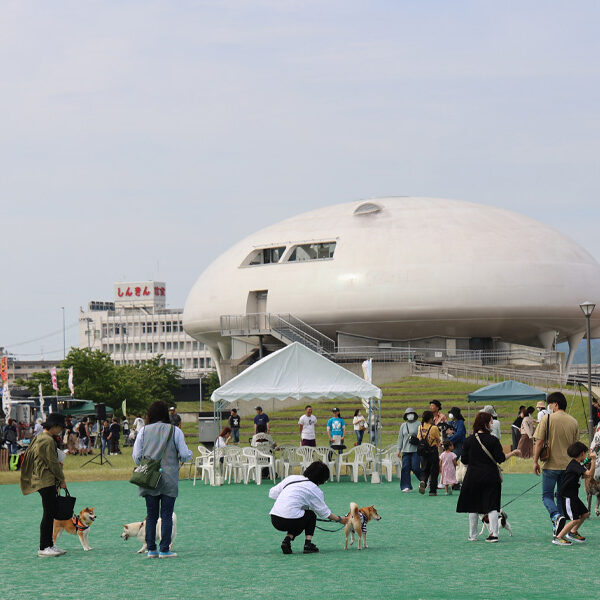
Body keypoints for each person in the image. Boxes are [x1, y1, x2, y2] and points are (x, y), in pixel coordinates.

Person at [133, 401, 193, 558]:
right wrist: (188, 454)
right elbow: (185, 454)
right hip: (169, 478)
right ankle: (165, 549)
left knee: (151, 515)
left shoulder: (143, 431)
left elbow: (136, 456)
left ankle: (151, 549)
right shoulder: (175, 431)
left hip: (149, 478)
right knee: (166, 514)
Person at [456, 412, 521, 542]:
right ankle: (494, 534)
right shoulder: (493, 440)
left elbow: (464, 460)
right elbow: (500, 459)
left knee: (472, 507)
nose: (492, 424)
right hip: (490, 476)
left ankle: (473, 535)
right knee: (492, 505)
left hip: (473, 476)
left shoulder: (469, 440)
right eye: (491, 422)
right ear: (485, 424)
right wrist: (513, 453)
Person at [269, 460, 348, 554]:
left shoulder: (291, 478)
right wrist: (340, 519)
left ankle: (287, 541)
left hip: (275, 519)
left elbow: (272, 493)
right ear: (321, 479)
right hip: (291, 519)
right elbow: (324, 512)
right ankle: (308, 544)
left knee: (300, 515)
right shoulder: (315, 490)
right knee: (310, 515)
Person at [20, 413, 68, 557]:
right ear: (54, 426)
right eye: (60, 427)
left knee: (51, 512)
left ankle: (50, 544)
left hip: (44, 479)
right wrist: (62, 479)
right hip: (45, 480)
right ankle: (44, 546)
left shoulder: (40, 437)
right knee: (48, 514)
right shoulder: (47, 440)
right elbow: (52, 463)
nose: (60, 430)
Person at [533, 391, 579, 537]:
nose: (549, 406)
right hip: (568, 466)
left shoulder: (547, 419)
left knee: (547, 495)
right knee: (560, 496)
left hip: (550, 465)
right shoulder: (573, 421)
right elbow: (576, 446)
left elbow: (539, 441)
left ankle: (555, 516)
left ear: (556, 404)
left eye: (550, 403)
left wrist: (535, 461)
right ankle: (560, 529)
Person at [552, 441, 596, 546]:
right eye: (585, 453)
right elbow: (589, 474)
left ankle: (572, 532)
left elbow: (585, 474)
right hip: (568, 496)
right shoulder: (574, 466)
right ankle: (558, 537)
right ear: (581, 454)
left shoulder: (577, 465)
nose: (585, 455)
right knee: (574, 519)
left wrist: (588, 462)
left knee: (585, 514)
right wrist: (594, 460)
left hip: (573, 496)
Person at [397, 407, 421, 492]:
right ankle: (406, 486)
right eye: (408, 414)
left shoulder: (419, 424)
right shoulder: (403, 425)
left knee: (415, 467)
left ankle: (424, 480)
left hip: (416, 450)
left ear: (414, 415)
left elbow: (421, 436)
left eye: (411, 413)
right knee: (405, 468)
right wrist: (398, 449)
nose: (410, 415)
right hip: (405, 450)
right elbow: (400, 438)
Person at [417, 410, 441, 496]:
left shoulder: (420, 427)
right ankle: (432, 491)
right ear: (431, 418)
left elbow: (419, 438)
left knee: (424, 469)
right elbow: (438, 439)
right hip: (432, 450)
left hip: (423, 451)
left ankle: (423, 481)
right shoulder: (434, 428)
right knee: (434, 471)